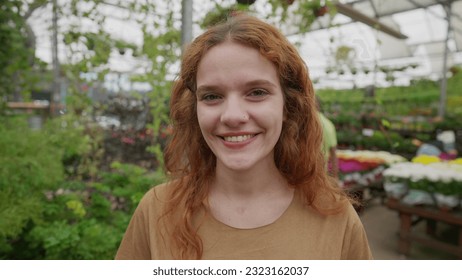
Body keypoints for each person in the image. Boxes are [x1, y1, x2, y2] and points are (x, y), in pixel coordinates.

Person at [115, 14, 372, 260]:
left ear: (288, 106)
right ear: (194, 109)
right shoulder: (157, 210)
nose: (233, 116)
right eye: (212, 96)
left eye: (257, 92)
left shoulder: (336, 218)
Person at [316, 96, 339, 179]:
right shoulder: (328, 124)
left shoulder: (302, 123)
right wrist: (335, 177)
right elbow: (333, 154)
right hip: (321, 174)